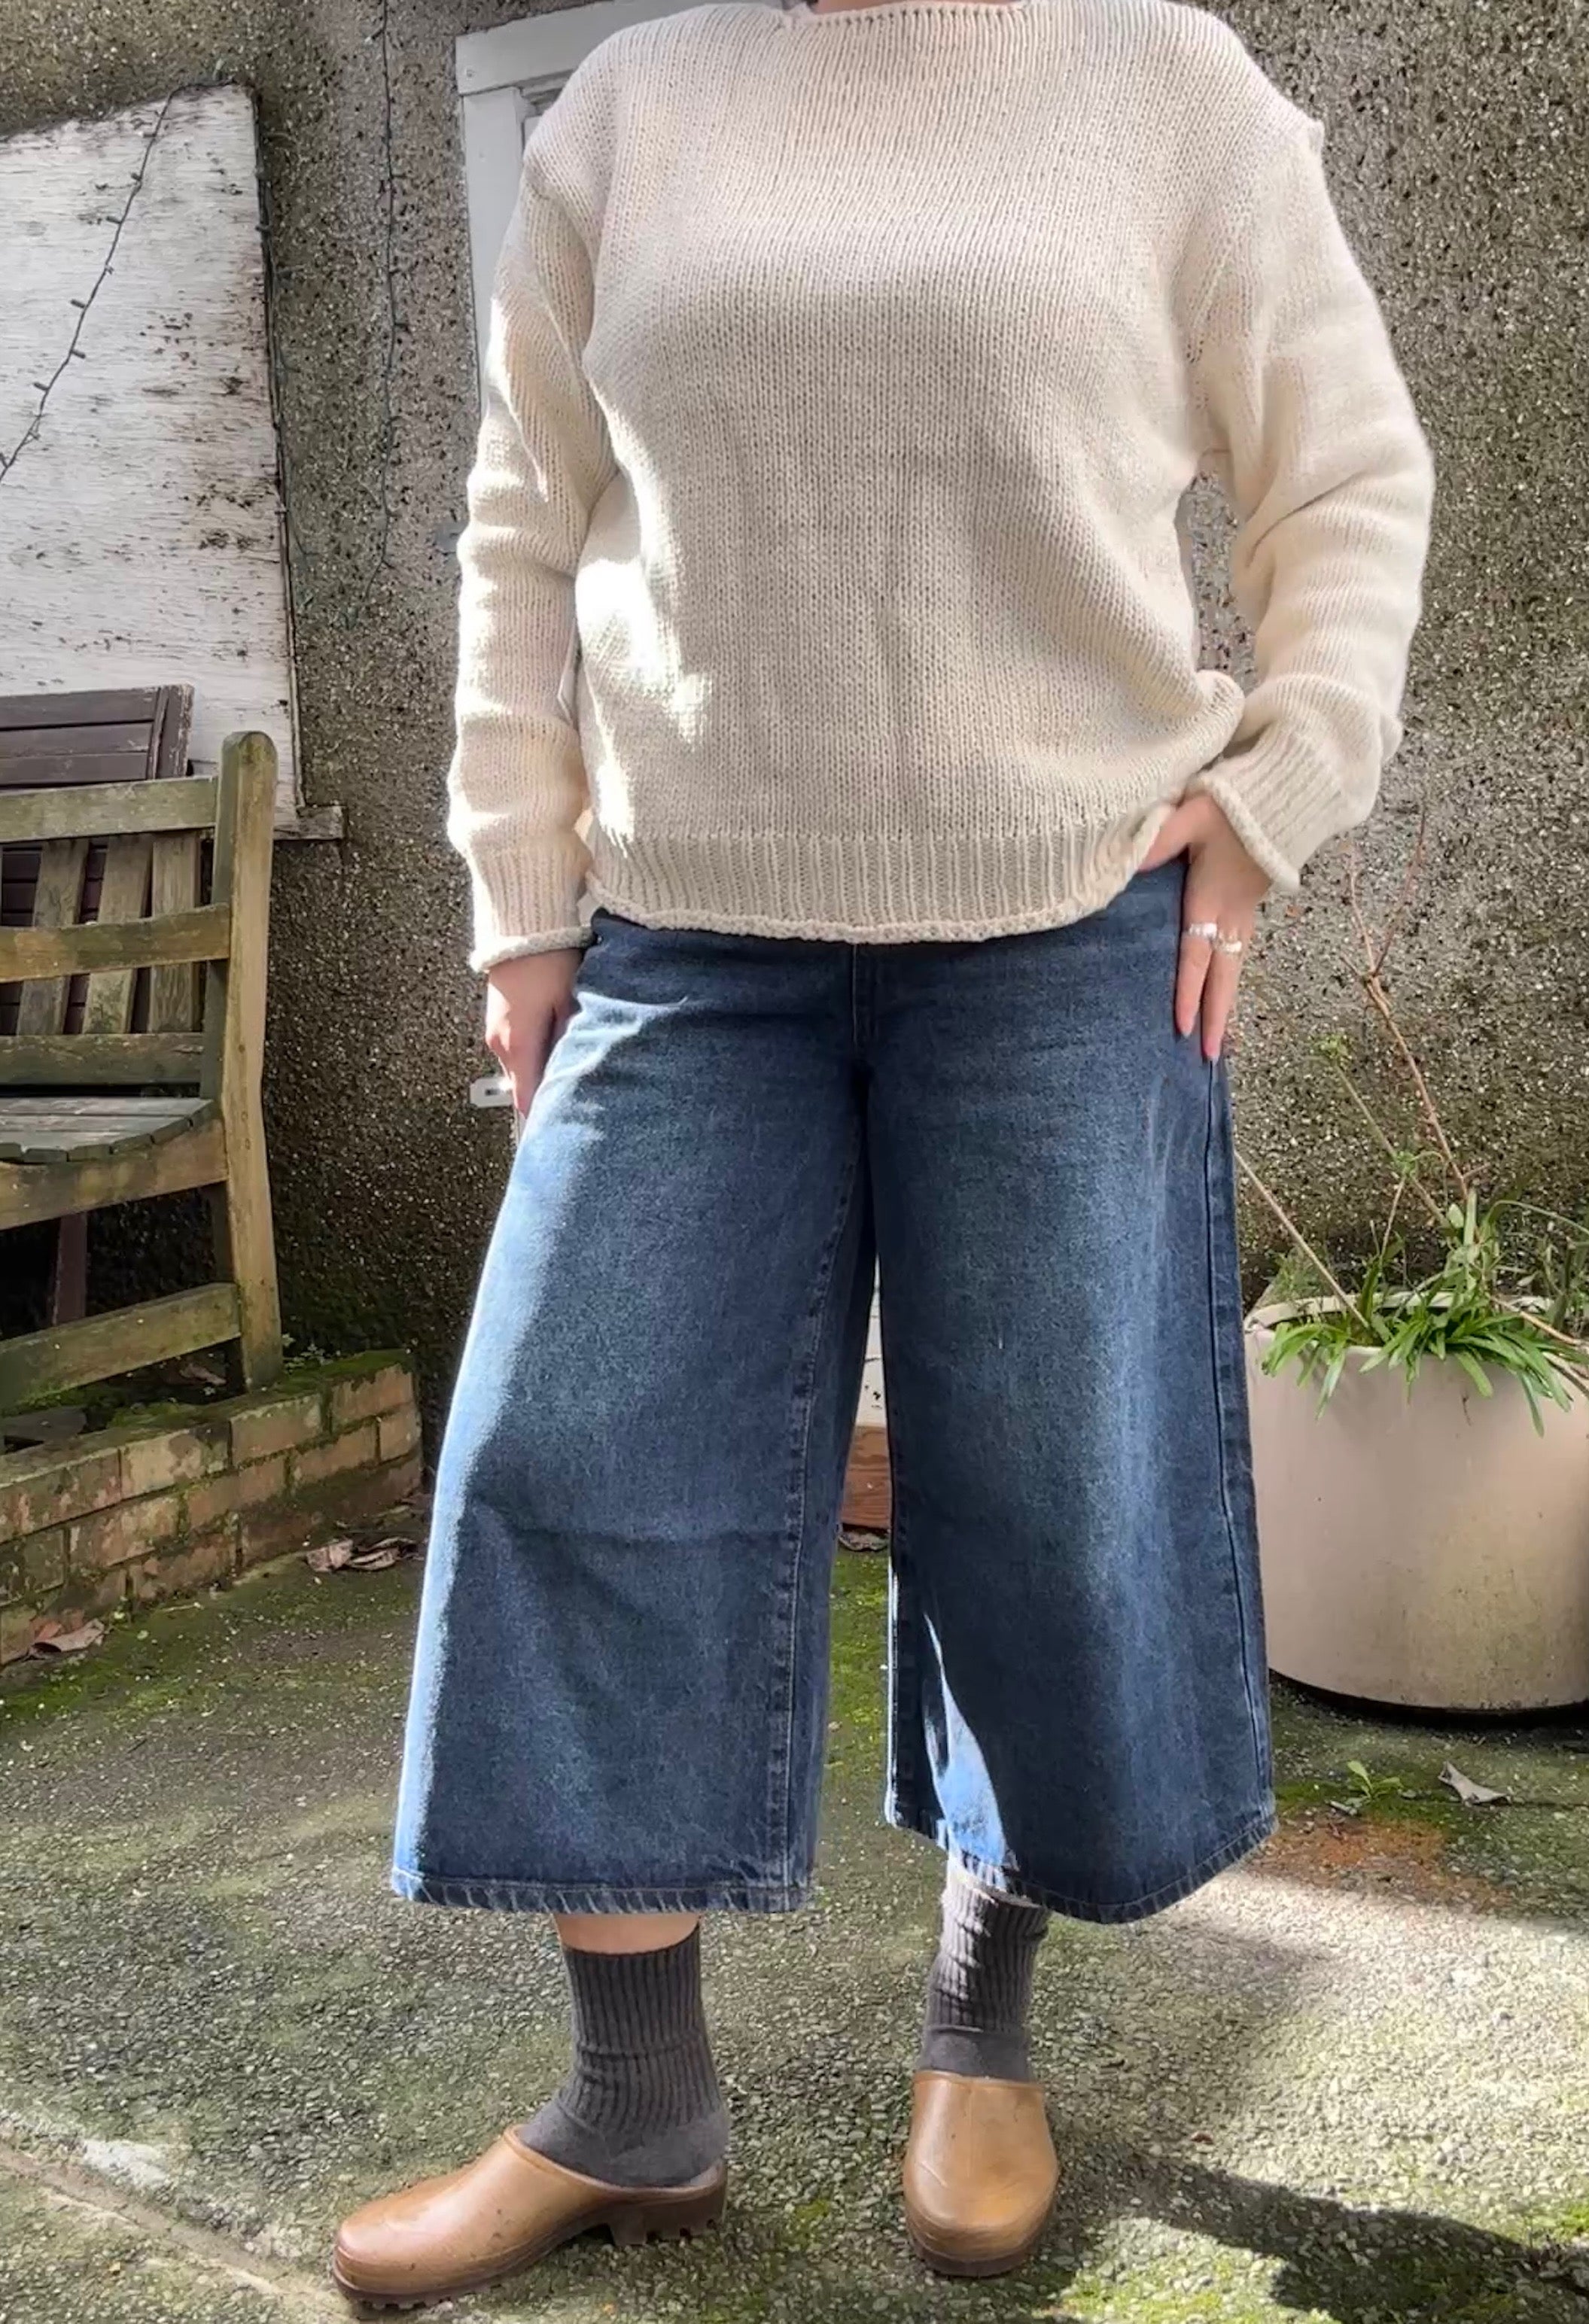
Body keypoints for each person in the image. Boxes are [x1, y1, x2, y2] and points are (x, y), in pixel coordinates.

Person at [331, 0, 1434, 2302]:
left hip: (1057, 930)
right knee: (565, 1458)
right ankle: (631, 2107)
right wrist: (517, 888)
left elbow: (1343, 477)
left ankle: (977, 2036)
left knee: (1042, 1486)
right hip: (683, 933)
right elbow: (519, 528)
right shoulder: (630, 108)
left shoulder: (1162, 89)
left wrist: (1270, 796)